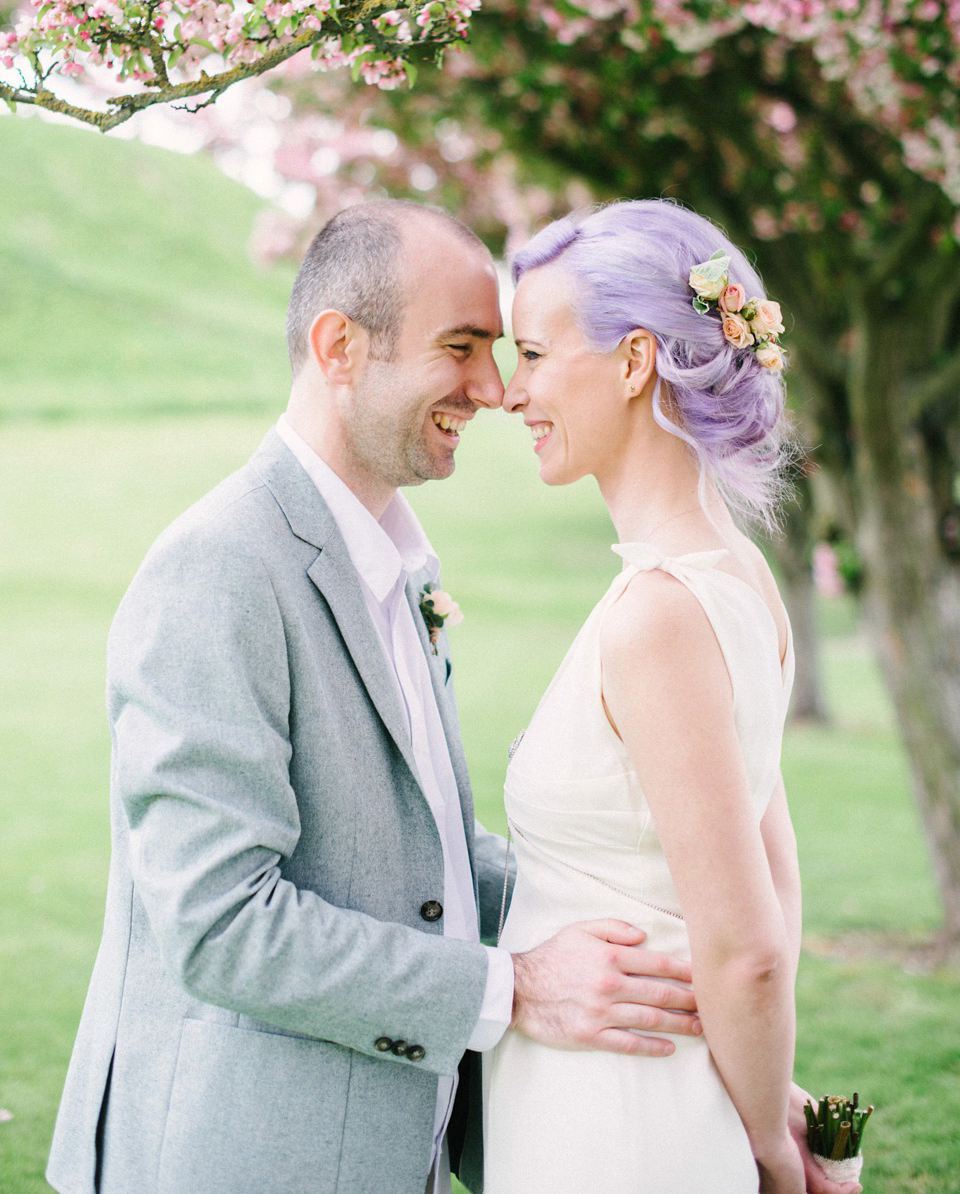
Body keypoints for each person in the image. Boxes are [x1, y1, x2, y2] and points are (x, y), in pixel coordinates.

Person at [46, 200, 703, 1194]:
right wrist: (516, 987)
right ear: (339, 345)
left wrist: (637, 934)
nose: (492, 388)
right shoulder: (220, 569)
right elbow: (224, 926)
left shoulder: (392, 562)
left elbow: (416, 849)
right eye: (462, 346)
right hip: (239, 1160)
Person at [483, 199, 863, 1194]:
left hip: (620, 1131)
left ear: (634, 361)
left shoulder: (658, 617)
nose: (509, 392)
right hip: (639, 1110)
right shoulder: (739, 581)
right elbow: (775, 895)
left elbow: (748, 950)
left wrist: (779, 1152)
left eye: (532, 353)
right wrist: (765, 1095)